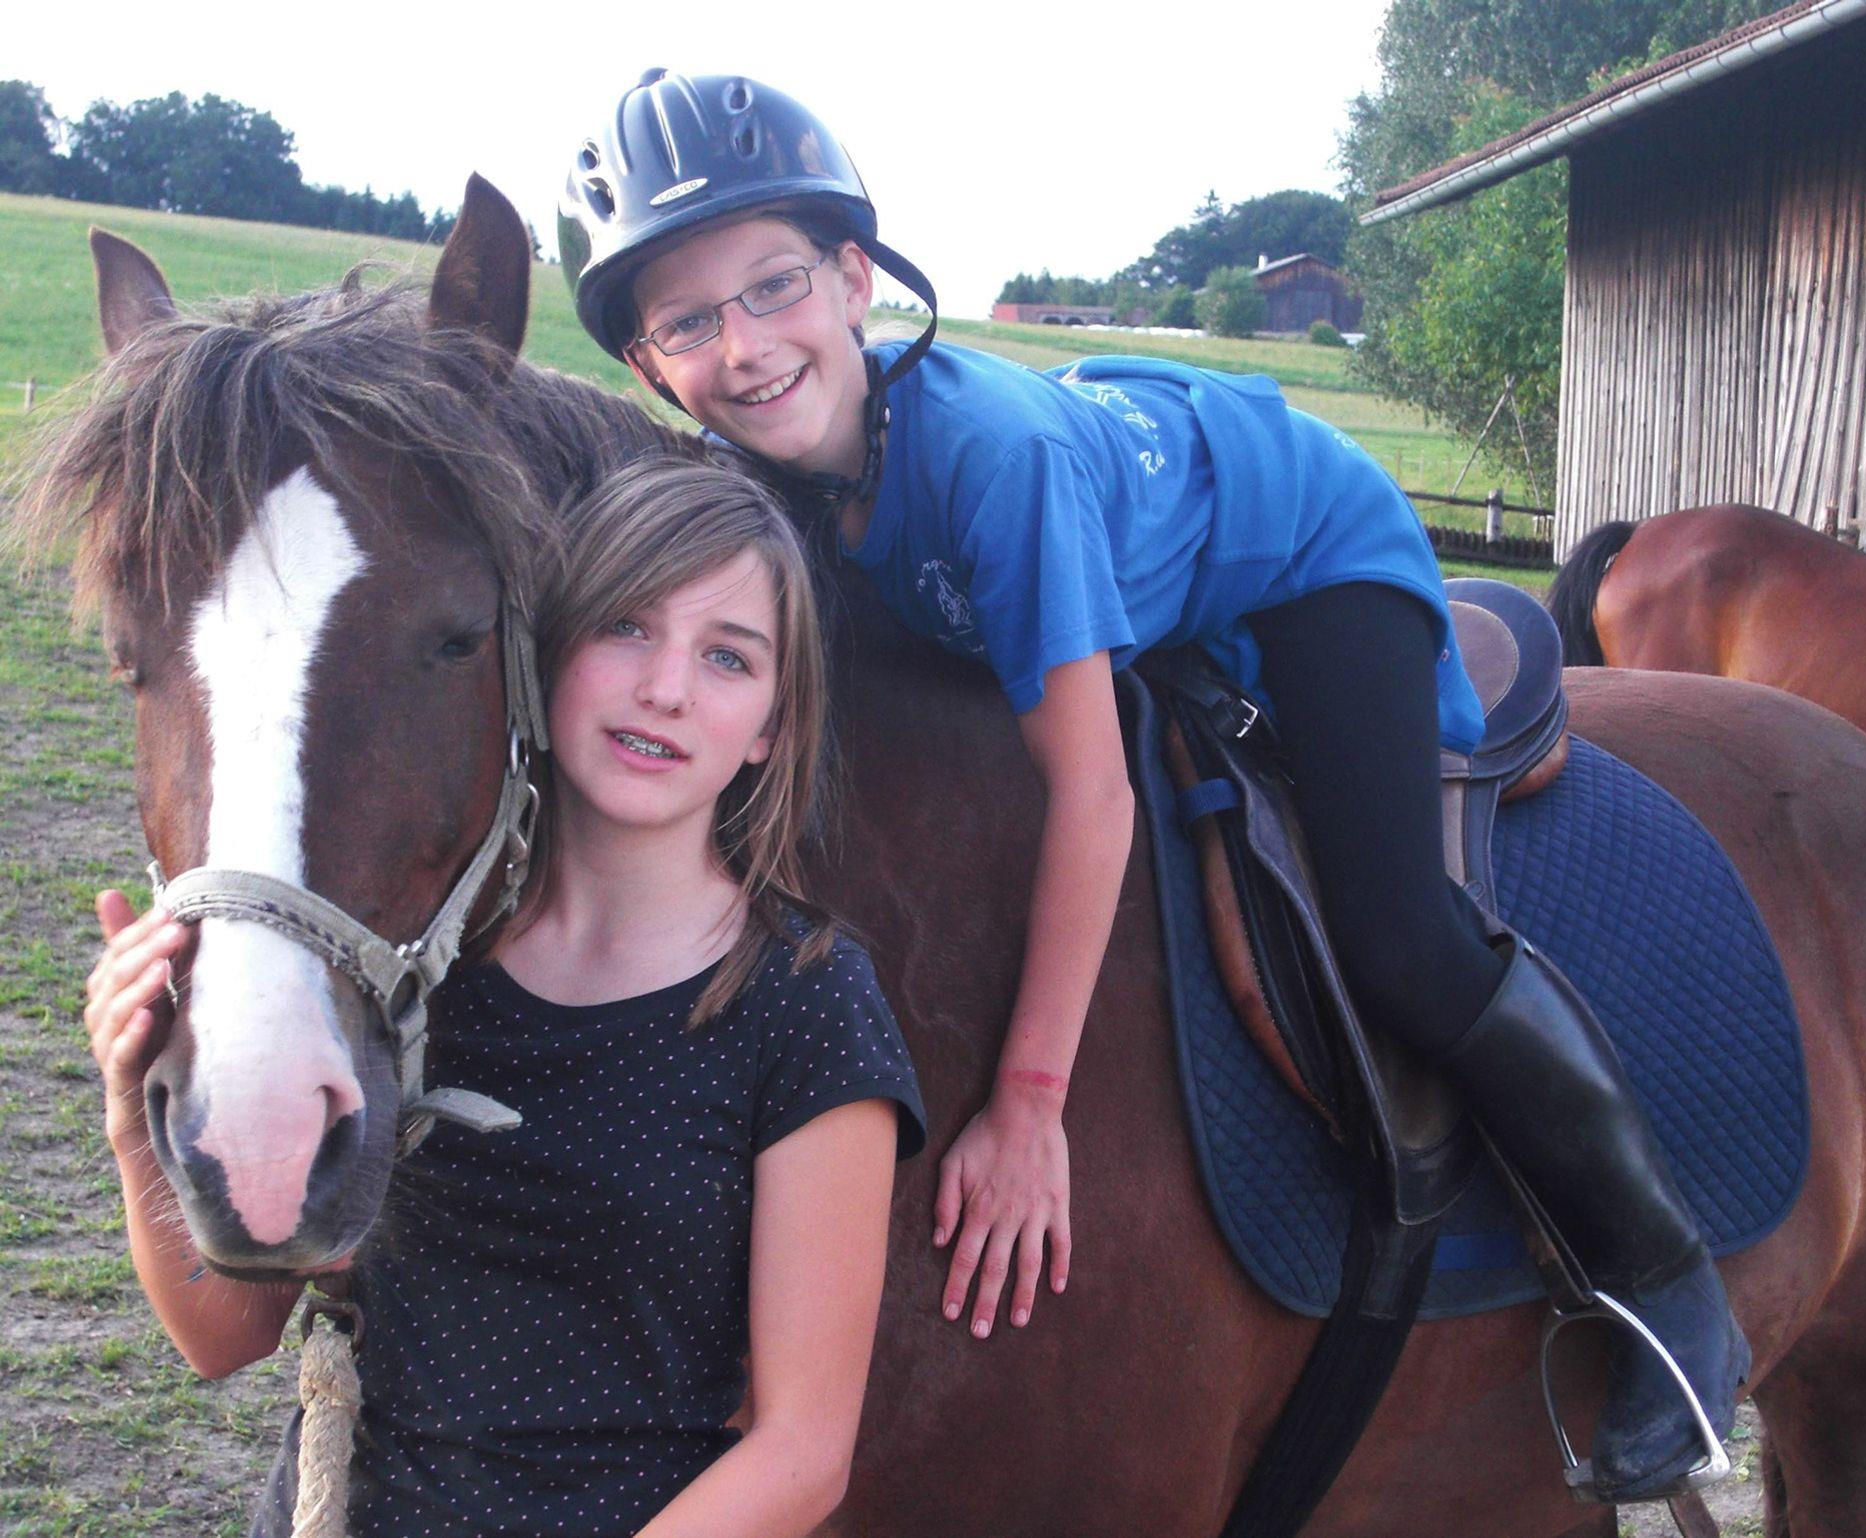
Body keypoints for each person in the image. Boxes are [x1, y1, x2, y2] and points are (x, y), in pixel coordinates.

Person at [555, 69, 1747, 1504]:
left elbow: (1095, 796)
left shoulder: (990, 464)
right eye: (689, 322)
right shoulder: (761, 473)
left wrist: (1029, 1103)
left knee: (1396, 929)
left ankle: (1661, 1275)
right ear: (647, 366)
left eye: (773, 286)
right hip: (1143, 530)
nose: (745, 347)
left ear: (854, 278)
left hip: (1305, 551)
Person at [83, 458, 926, 1537]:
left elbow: (803, 1453)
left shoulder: (807, 1004)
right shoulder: (417, 969)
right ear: (546, 651)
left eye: (728, 656)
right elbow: (222, 1336)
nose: (666, 687)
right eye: (626, 626)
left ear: (769, 722)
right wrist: (131, 1117)